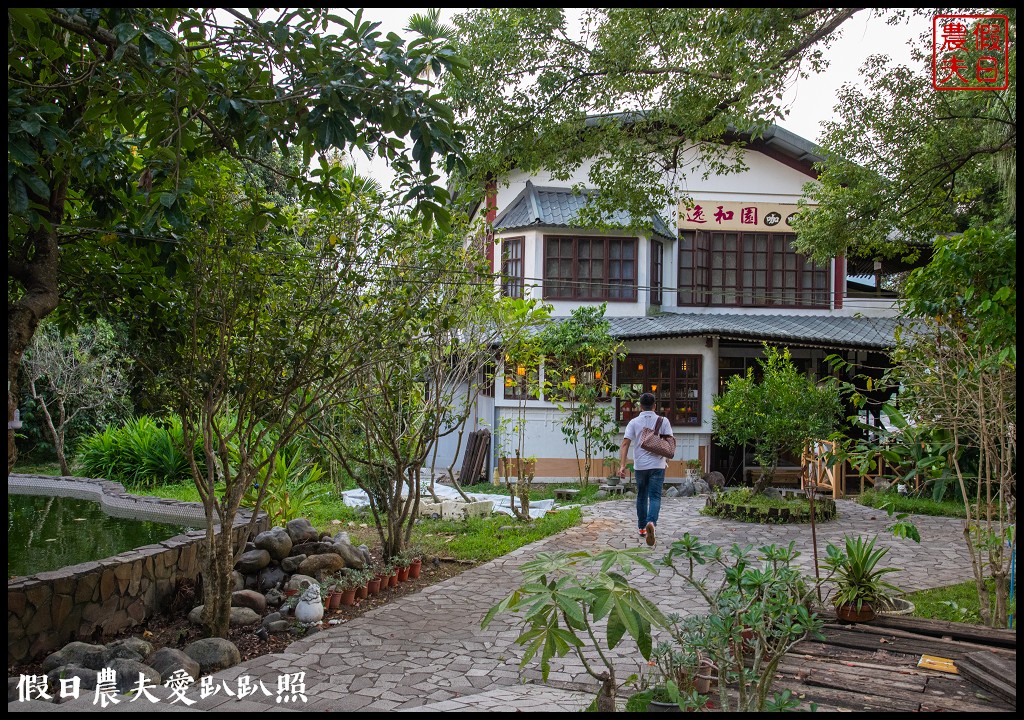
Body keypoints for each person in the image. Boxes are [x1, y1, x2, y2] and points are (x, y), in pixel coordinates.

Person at [618, 392, 673, 546]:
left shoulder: (634, 422)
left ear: (640, 406)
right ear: (655, 405)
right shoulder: (664, 421)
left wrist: (622, 465)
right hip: (658, 465)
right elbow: (669, 444)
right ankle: (652, 523)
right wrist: (665, 459)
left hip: (640, 466)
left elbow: (625, 444)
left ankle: (642, 528)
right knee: (655, 497)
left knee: (642, 496)